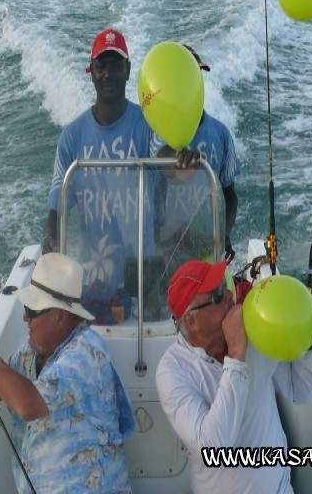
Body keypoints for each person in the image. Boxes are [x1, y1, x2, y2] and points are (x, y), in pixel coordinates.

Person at [0, 253, 135, 493]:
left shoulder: (87, 353)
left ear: (60, 316)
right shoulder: (31, 354)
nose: (24, 317)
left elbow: (27, 404)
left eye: (32, 310)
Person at [42, 28, 198, 324]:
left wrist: (181, 160)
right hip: (93, 272)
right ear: (91, 72)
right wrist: (49, 245)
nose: (108, 74)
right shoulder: (71, 138)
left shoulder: (148, 124)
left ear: (128, 70)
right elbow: (56, 209)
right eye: (101, 66)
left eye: (116, 65)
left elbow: (164, 157)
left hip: (144, 268)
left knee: (149, 340)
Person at [155, 259, 312, 494]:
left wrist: (306, 338)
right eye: (216, 295)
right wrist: (236, 355)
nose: (229, 295)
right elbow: (213, 449)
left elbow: (299, 391)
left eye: (224, 285)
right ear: (191, 320)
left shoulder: (256, 332)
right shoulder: (173, 371)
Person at [153, 45, 240, 261]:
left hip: (206, 245)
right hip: (167, 248)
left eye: (198, 77)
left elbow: (230, 196)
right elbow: (162, 162)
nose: (194, 85)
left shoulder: (222, 134)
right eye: (188, 79)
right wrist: (177, 160)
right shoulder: (160, 130)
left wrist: (223, 234)